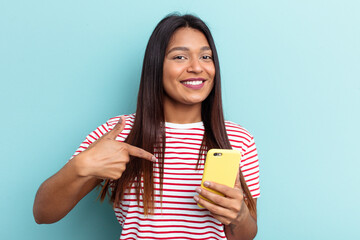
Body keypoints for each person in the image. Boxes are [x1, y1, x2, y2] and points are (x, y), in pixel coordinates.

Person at [33, 14, 260, 240]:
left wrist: (239, 216)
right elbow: (43, 213)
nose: (196, 67)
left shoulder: (238, 139)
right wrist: (81, 166)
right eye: (180, 56)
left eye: (205, 56)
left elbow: (245, 235)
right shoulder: (119, 132)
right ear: (155, 65)